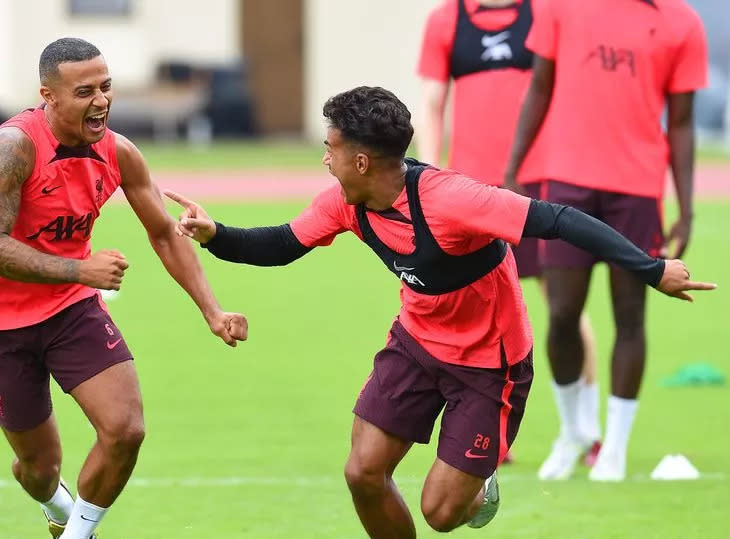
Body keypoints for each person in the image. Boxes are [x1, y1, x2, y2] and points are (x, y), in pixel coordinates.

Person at [165, 86, 713, 536]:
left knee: (441, 514)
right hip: (416, 344)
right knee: (363, 473)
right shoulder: (346, 201)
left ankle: (477, 486)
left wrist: (649, 268)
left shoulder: (451, 199)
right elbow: (283, 244)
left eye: (330, 147)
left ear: (361, 159)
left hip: (488, 365)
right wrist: (216, 235)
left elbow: (558, 220)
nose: (324, 158)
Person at [0, 38, 248, 539]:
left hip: (71, 309)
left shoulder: (118, 152)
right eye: (85, 91)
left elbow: (163, 231)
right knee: (39, 468)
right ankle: (54, 503)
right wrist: (78, 270)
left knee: (125, 429)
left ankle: (78, 533)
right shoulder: (13, 148)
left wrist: (211, 310)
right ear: (47, 95)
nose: (101, 101)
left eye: (106, 87)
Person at [504, 0, 708, 481]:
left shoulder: (682, 21)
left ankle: (614, 446)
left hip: (637, 190)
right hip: (567, 181)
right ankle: (574, 431)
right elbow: (539, 87)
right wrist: (513, 171)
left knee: (630, 315)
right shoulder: (561, 6)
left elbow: (680, 123)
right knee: (561, 313)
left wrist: (686, 206)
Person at [415, 0, 603, 467]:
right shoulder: (447, 20)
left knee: (565, 308)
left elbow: (574, 91)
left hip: (538, 184)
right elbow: (434, 102)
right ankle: (492, 436)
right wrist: (425, 175)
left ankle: (588, 432)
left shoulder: (545, 13)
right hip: (468, 192)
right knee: (479, 314)